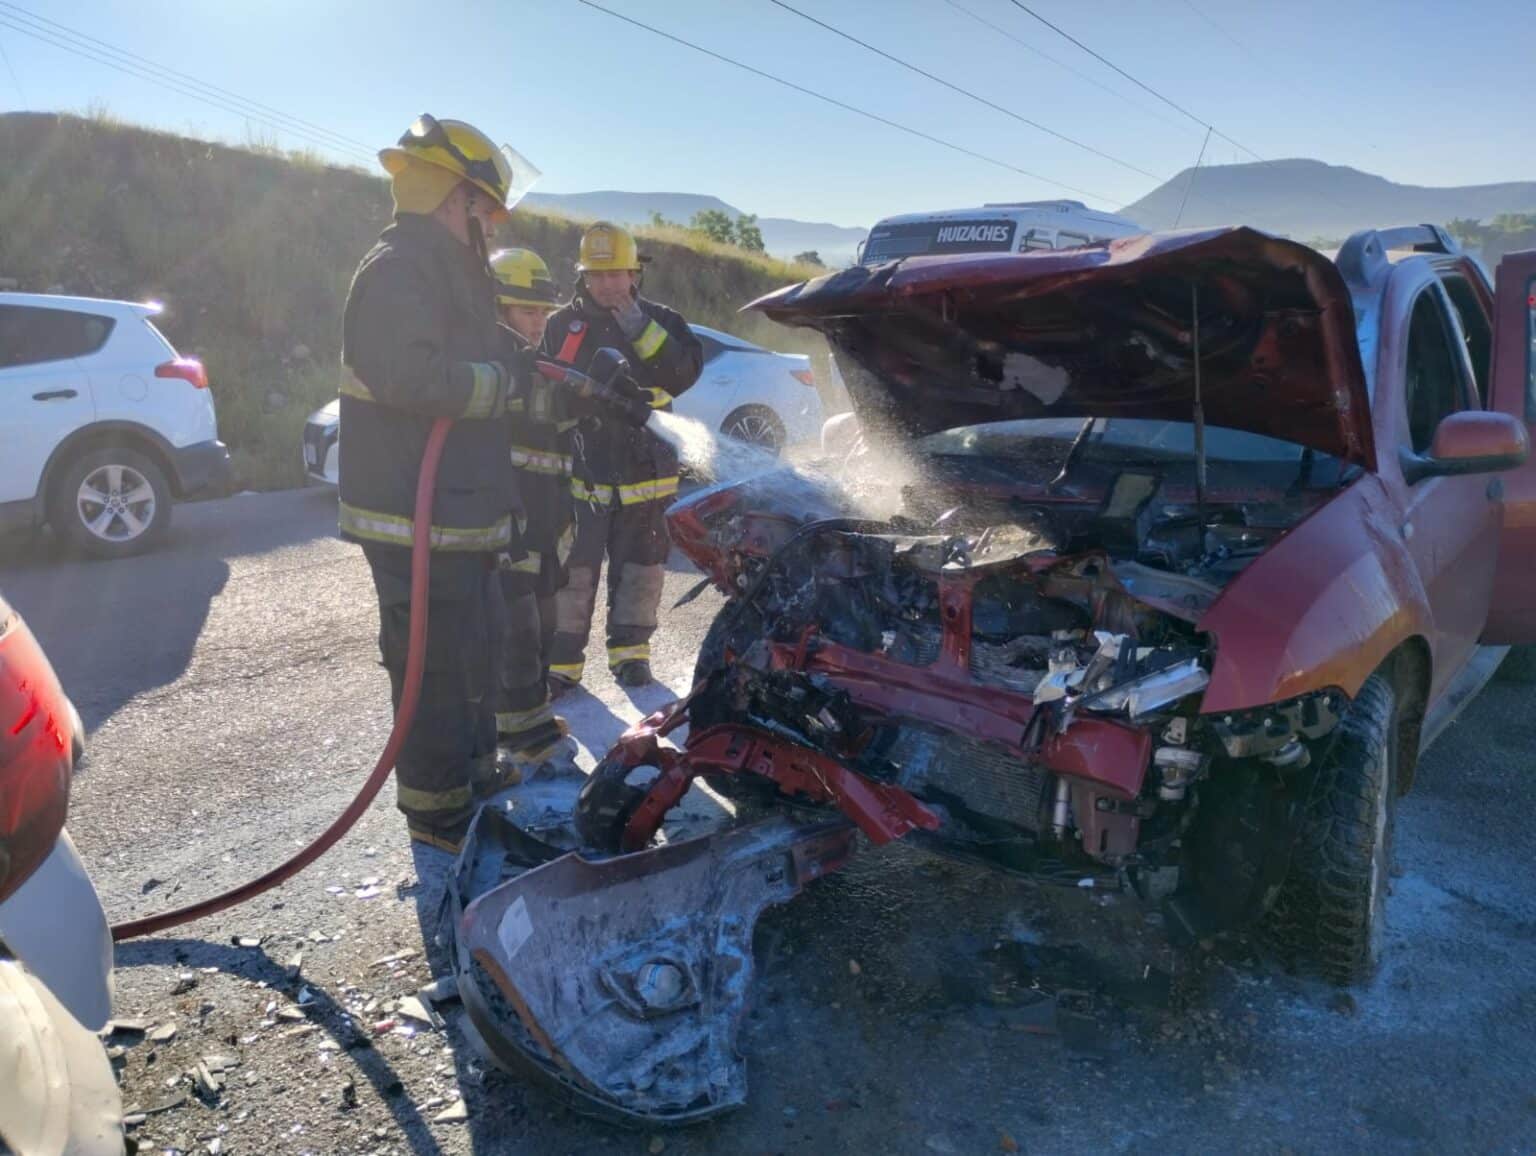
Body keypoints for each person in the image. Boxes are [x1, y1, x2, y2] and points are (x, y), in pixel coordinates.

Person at [338, 115, 533, 853]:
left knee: (474, 649)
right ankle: (436, 813)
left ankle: (475, 774)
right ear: (457, 199)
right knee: (433, 667)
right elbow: (410, 376)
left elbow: (479, 349)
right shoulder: (398, 267)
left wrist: (532, 371)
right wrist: (498, 384)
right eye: (483, 209)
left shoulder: (444, 267)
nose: (487, 226)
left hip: (457, 516)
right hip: (410, 517)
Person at [542, 222, 703, 690]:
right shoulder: (563, 326)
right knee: (573, 574)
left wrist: (636, 324)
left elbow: (680, 374)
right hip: (584, 475)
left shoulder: (663, 321)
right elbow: (547, 396)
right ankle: (562, 665)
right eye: (597, 275)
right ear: (582, 278)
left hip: (647, 474)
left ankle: (631, 656)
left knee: (642, 569)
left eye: (616, 274)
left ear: (635, 274)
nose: (607, 284)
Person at [486, 247, 572, 767]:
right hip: (509, 513)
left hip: (541, 514)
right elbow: (526, 409)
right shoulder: (495, 359)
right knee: (516, 624)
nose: (538, 320)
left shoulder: (529, 357)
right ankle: (521, 735)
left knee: (540, 618)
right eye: (526, 310)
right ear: (498, 309)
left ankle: (531, 717)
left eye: (542, 311)